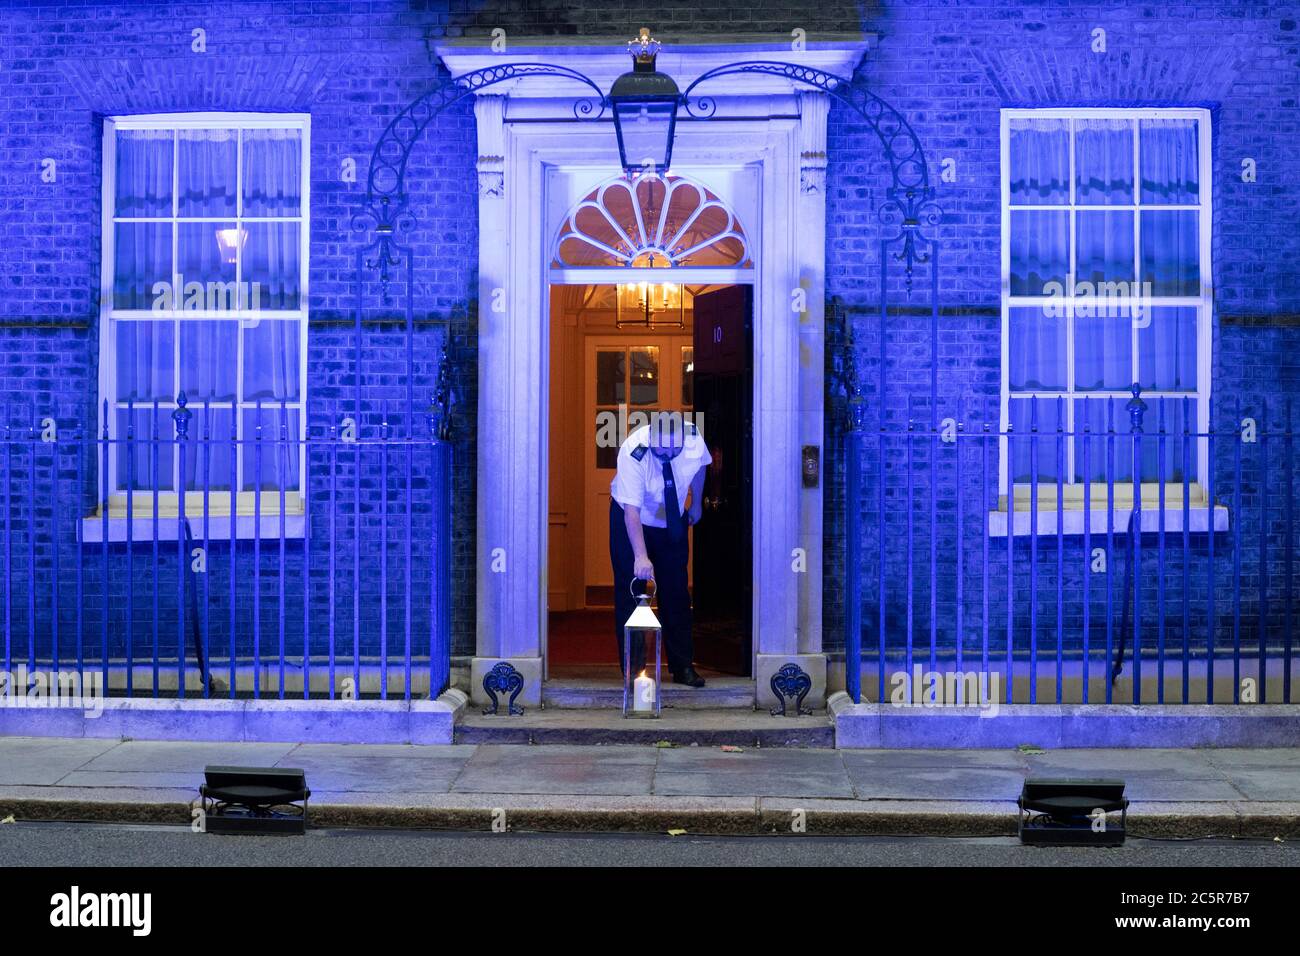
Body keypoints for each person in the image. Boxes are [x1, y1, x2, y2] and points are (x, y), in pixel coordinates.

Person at [608, 411, 710, 687]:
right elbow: (631, 511)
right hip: (631, 519)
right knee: (633, 593)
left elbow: (700, 467)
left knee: (676, 592)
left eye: (672, 449)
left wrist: (697, 502)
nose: (666, 454)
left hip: (671, 517)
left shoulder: (692, 438)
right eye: (660, 448)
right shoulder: (633, 450)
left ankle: (683, 667)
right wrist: (640, 556)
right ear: (651, 438)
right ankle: (634, 672)